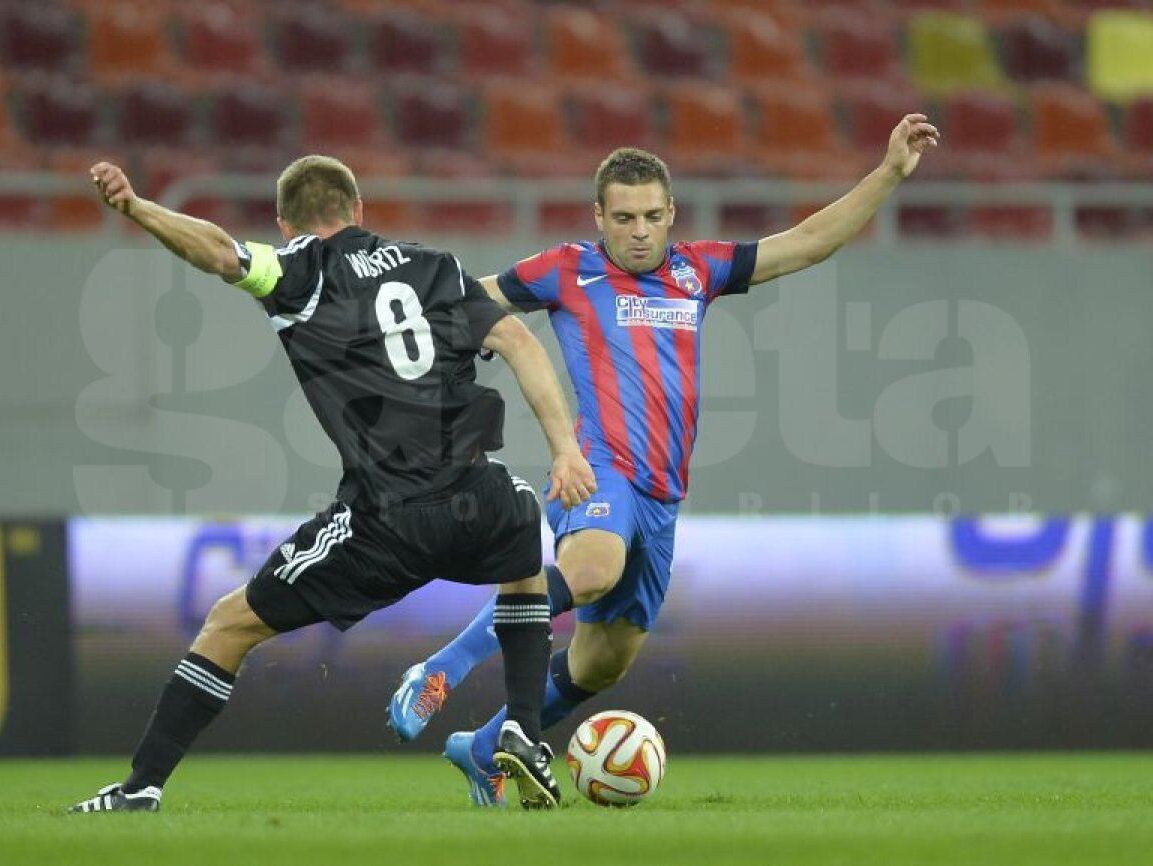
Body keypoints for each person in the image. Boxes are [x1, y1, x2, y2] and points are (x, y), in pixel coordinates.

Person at [388, 115, 941, 805]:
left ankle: (484, 748)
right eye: (624, 218)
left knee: (601, 663)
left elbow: (805, 245)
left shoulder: (697, 271)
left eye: (652, 216)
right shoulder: (565, 270)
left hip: (662, 494)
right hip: (597, 469)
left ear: (671, 213)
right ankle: (440, 669)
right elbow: (471, 301)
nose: (640, 230)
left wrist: (887, 173)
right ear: (599, 216)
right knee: (590, 570)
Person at [69, 155, 596, 813]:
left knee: (229, 624)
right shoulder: (438, 269)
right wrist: (566, 450)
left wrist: (138, 208)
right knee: (521, 523)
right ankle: (520, 721)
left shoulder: (298, 272)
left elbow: (218, 254)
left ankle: (140, 789)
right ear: (359, 211)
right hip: (476, 499)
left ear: (286, 223)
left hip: (388, 519)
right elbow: (518, 338)